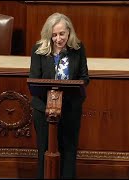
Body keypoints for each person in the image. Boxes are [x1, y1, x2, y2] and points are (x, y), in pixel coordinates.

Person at [29, 13, 89, 179]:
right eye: (54, 35)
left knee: (69, 149)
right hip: (43, 109)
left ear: (69, 32)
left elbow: (84, 78)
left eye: (61, 34)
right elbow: (34, 79)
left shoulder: (77, 48)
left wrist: (75, 93)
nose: (58, 39)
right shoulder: (38, 50)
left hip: (70, 108)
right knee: (44, 149)